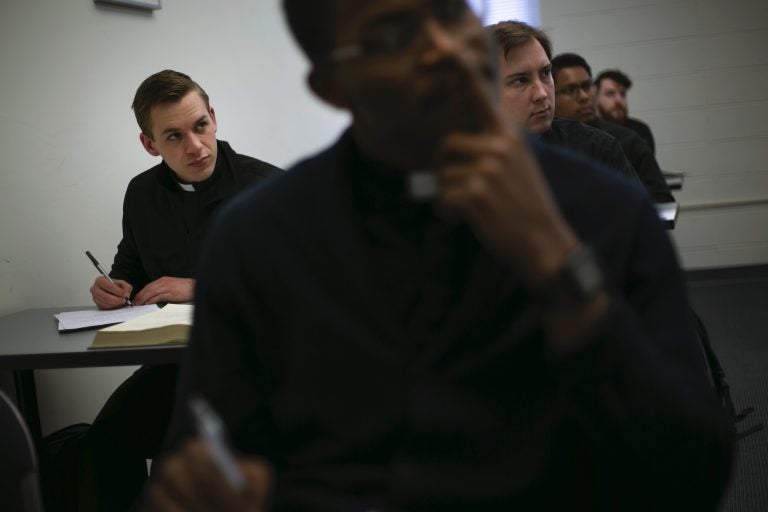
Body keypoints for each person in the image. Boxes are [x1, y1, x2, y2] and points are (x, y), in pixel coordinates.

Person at [145, 2, 732, 511]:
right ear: (332, 83)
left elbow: (695, 473)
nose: (447, 49)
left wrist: (561, 268)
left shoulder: (602, 209)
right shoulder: (259, 243)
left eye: (450, 12)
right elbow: (207, 460)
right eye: (396, 34)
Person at [83, 70, 282, 511]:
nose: (194, 146)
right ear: (149, 144)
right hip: (174, 370)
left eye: (200, 126)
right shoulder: (140, 194)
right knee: (104, 445)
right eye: (173, 136)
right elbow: (129, 269)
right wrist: (114, 288)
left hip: (258, 373)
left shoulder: (267, 186)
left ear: (213, 118)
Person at [488, 20, 638, 182]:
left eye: (545, 72)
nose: (542, 93)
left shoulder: (598, 151)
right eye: (520, 80)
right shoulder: (463, 169)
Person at [551, 52, 674, 203]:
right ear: (551, 96)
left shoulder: (627, 141)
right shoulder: (543, 144)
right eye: (570, 90)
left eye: (587, 86)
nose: (584, 96)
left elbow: (661, 199)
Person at [595, 69, 656, 154]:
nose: (619, 100)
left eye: (622, 94)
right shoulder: (589, 131)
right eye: (610, 93)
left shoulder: (640, 131)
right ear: (595, 97)